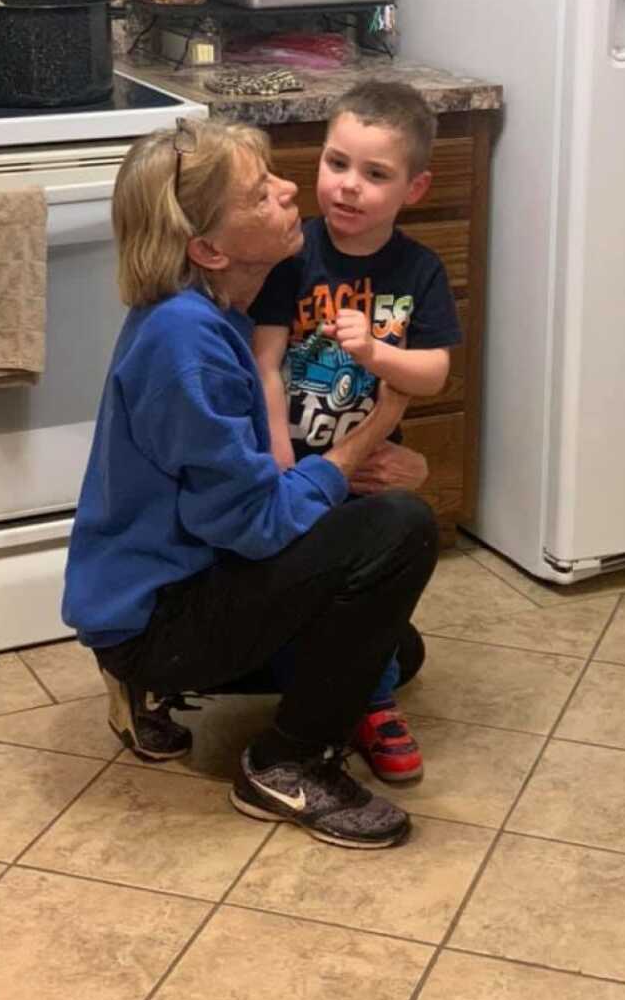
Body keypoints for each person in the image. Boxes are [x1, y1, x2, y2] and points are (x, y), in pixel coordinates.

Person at [61, 116, 439, 850]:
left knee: (399, 650)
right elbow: (259, 524)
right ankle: (284, 765)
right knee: (402, 529)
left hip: (177, 582)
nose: (290, 190)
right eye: (260, 194)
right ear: (208, 246)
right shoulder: (188, 344)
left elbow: (259, 488)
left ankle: (145, 690)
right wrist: (372, 435)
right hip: (157, 618)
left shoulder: (210, 315)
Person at [251, 80, 461, 784]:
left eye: (376, 175)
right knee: (327, 601)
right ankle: (363, 699)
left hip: (369, 474)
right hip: (300, 470)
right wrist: (281, 459)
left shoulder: (418, 271)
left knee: (380, 590)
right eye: (337, 163)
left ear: (416, 187)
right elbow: (266, 360)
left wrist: (375, 352)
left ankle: (360, 690)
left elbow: (433, 372)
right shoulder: (294, 255)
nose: (348, 188)